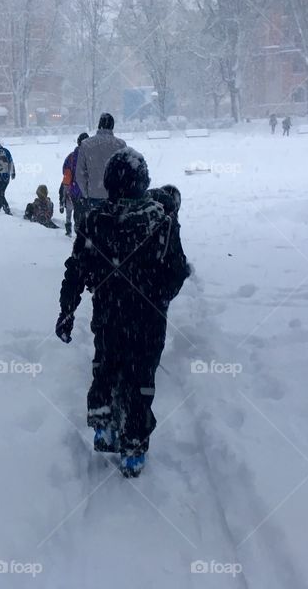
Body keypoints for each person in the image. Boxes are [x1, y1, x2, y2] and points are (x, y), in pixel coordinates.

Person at [55, 148, 190, 478]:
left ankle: (104, 424)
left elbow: (76, 269)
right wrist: (158, 298)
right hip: (148, 321)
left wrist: (67, 311)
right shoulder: (163, 222)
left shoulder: (95, 222)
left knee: (106, 367)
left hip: (109, 317)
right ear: (143, 181)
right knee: (141, 380)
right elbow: (176, 271)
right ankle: (134, 446)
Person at [76, 113, 127, 217]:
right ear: (112, 126)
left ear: (99, 125)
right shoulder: (120, 145)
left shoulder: (86, 144)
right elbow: (125, 172)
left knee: (96, 226)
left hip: (94, 194)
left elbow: (80, 174)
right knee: (115, 227)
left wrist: (86, 193)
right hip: (115, 196)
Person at [59, 132, 89, 237]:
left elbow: (66, 174)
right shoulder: (91, 156)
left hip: (74, 191)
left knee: (74, 211)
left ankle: (74, 230)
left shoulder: (71, 157)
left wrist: (65, 190)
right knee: (87, 213)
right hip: (90, 191)